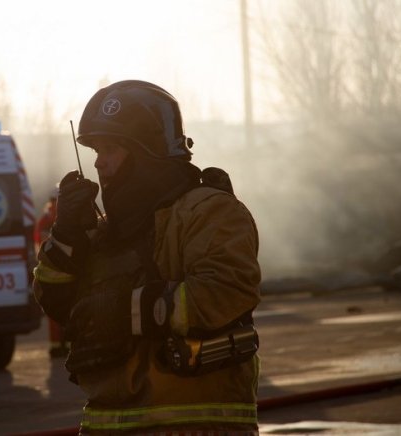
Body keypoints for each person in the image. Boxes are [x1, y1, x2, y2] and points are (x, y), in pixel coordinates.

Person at [33, 80, 261, 434]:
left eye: (111, 148)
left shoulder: (208, 212)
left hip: (195, 427)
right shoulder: (107, 232)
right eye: (96, 151)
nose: (99, 163)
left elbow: (226, 291)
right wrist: (66, 238)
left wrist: (128, 310)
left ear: (148, 152)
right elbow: (57, 303)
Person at [34, 185, 70, 357]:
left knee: (64, 311)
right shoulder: (50, 220)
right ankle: (59, 345)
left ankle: (65, 344)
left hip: (60, 272)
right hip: (58, 272)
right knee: (58, 312)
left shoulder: (49, 219)